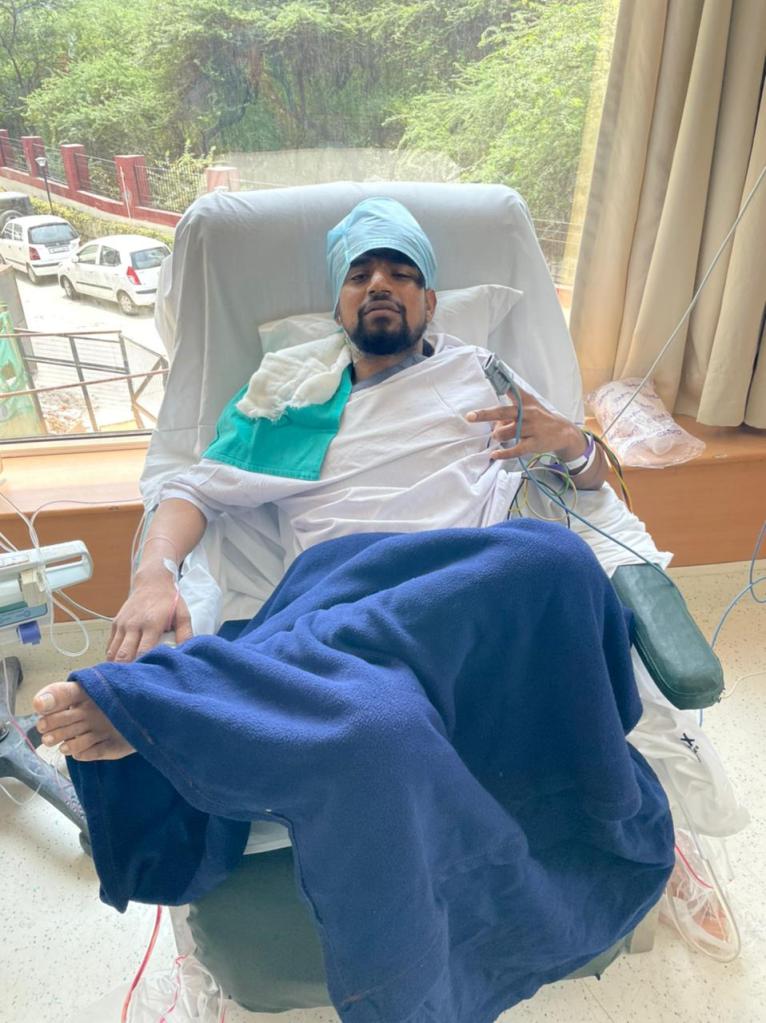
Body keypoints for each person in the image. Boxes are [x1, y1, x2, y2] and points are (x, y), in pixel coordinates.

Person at [33, 197, 608, 758]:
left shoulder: (479, 372)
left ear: (430, 302)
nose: (379, 284)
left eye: (400, 274)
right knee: (382, 717)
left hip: (462, 578)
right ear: (339, 311)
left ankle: (186, 706)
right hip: (348, 588)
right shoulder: (290, 396)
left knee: (556, 557)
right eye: (359, 277)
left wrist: (572, 442)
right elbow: (192, 490)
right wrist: (153, 577)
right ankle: (178, 705)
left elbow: (592, 478)